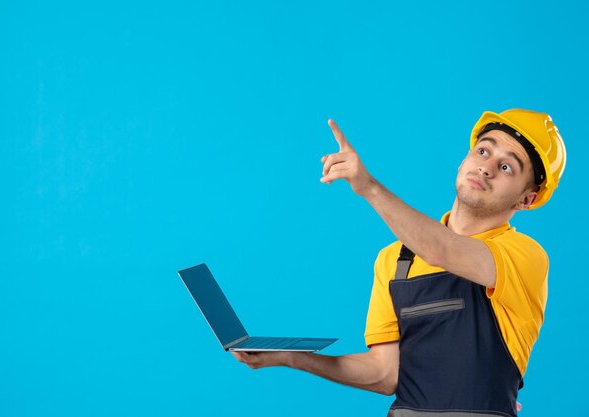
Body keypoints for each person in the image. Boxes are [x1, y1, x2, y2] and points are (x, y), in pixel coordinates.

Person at [233, 109, 567, 417]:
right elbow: (383, 374)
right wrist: (291, 357)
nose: (486, 167)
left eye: (507, 166)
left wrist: (369, 188)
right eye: (483, 151)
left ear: (527, 198)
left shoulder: (524, 256)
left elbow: (443, 251)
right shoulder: (395, 260)